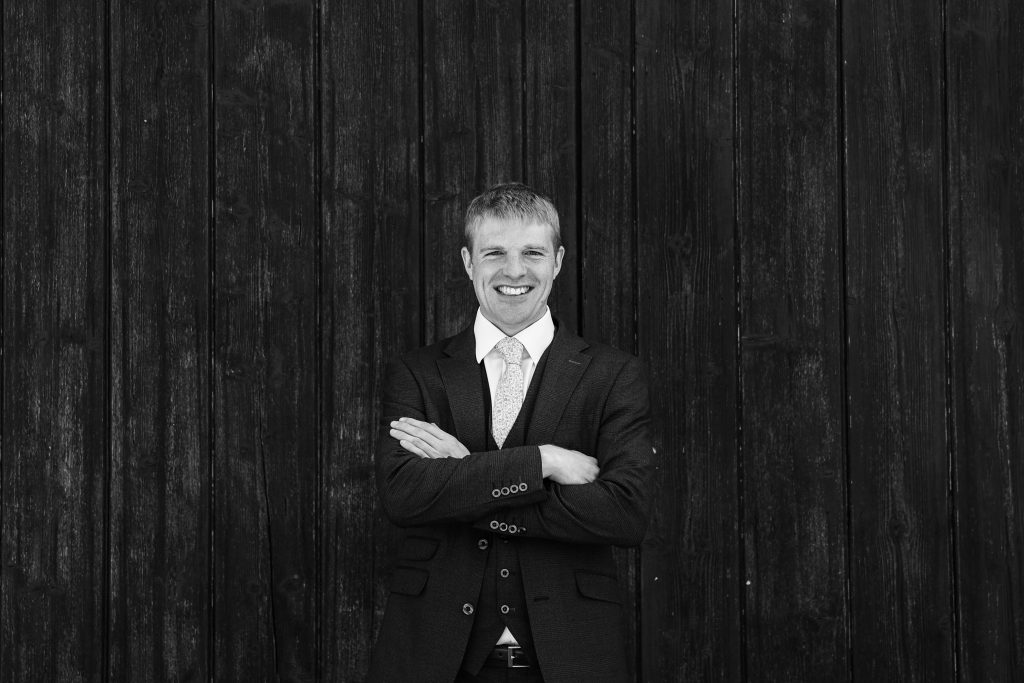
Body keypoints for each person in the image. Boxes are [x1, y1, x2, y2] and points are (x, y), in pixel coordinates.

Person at [367, 183, 654, 683]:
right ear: (467, 261)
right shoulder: (416, 373)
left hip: (570, 650)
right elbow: (404, 496)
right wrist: (540, 461)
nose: (514, 271)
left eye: (533, 253)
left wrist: (463, 477)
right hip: (434, 652)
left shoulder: (615, 374)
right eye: (495, 252)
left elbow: (624, 514)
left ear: (558, 260)